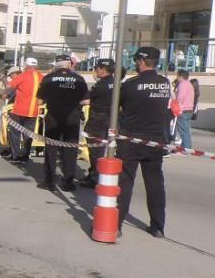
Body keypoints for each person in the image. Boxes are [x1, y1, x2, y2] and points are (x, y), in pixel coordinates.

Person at [117, 47, 174, 238]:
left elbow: (119, 106)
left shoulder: (130, 84)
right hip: (156, 140)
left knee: (125, 181)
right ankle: (158, 226)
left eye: (136, 61)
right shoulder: (164, 83)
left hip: (131, 139)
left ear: (141, 62)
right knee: (155, 183)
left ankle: (116, 224)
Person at [36, 54, 89, 191]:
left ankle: (49, 181)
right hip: (72, 117)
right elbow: (86, 101)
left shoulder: (48, 79)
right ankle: (68, 182)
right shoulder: (79, 79)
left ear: (56, 65)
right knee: (70, 149)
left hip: (53, 116)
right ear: (69, 64)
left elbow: (39, 101)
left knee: (51, 149)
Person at [79, 58, 115, 188]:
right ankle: (96, 174)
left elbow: (87, 100)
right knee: (103, 149)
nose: (95, 71)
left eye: (97, 68)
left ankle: (95, 176)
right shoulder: (116, 83)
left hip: (98, 120)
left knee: (95, 150)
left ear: (103, 69)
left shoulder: (100, 85)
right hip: (110, 119)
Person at [7, 58, 43, 163]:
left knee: (14, 132)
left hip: (19, 110)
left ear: (26, 66)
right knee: (28, 134)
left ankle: (16, 155)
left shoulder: (23, 75)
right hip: (34, 111)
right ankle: (25, 156)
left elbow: (10, 86)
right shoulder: (42, 77)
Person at [174, 70, 194, 151]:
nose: (176, 77)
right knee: (186, 131)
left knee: (183, 131)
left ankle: (186, 149)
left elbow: (180, 98)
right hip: (189, 109)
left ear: (180, 76)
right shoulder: (189, 84)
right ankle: (184, 147)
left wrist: (175, 105)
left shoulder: (182, 84)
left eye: (177, 75)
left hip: (183, 110)